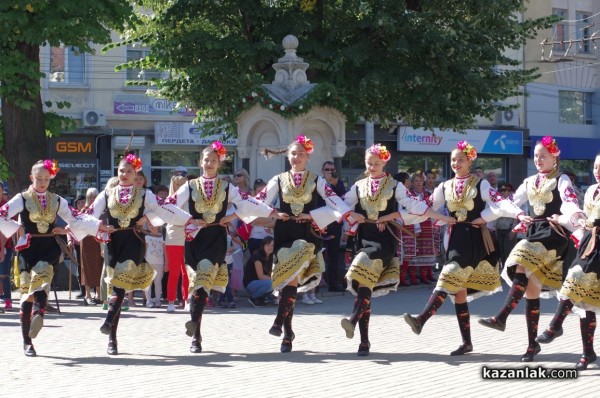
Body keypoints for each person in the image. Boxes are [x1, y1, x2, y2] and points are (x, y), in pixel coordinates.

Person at [404, 141, 524, 356]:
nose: (456, 163)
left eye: (460, 159)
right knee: (458, 292)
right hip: (453, 237)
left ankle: (421, 319)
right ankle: (467, 343)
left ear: (470, 160)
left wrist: (502, 215)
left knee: (449, 275)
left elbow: (499, 202)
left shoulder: (481, 184)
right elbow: (427, 206)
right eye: (453, 160)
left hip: (473, 238)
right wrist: (403, 210)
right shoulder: (444, 186)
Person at [172, 141, 286, 353]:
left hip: (215, 237)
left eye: (213, 160)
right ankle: (196, 330)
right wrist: (189, 219)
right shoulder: (190, 186)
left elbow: (247, 202)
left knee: (204, 276)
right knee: (197, 286)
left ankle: (195, 335)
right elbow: (169, 205)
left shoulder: (226, 187)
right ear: (200, 162)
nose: (209, 163)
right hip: (194, 239)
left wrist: (242, 215)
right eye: (206, 160)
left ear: (219, 164)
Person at [342, 145, 455, 356]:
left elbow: (413, 205)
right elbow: (342, 205)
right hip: (365, 236)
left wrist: (439, 217)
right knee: (365, 286)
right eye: (369, 163)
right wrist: (351, 214)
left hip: (384, 240)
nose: (373, 166)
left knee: (364, 274)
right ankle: (364, 341)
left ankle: (353, 320)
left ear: (384, 163)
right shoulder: (358, 186)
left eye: (377, 163)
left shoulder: (395, 185)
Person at [478, 136, 583, 362]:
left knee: (519, 256)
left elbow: (569, 200)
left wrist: (575, 215)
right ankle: (531, 346)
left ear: (555, 157)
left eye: (543, 155)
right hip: (536, 231)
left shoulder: (561, 179)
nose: (538, 159)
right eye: (536, 155)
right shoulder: (530, 181)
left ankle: (502, 316)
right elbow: (512, 201)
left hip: (553, 232)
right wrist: (514, 214)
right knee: (531, 289)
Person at [0, 160, 111, 356]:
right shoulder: (22, 198)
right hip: (28, 246)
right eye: (38, 178)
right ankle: (28, 342)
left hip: (49, 246)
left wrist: (96, 225)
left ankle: (39, 314)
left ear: (50, 178)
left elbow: (76, 217)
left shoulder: (57, 200)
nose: (42, 182)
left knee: (42, 280)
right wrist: (16, 227)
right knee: (27, 293)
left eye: (46, 179)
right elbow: (1, 214)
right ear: (31, 178)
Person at [90, 153, 192, 355]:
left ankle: (108, 321)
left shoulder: (145, 194)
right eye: (121, 171)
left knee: (120, 283)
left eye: (129, 171)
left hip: (133, 241)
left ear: (136, 173)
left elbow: (163, 209)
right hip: (113, 242)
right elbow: (91, 213)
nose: (125, 174)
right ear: (117, 172)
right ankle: (113, 338)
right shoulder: (107, 193)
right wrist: (99, 226)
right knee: (116, 288)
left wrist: (150, 218)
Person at [260, 135, 351, 353]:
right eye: (293, 153)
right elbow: (258, 202)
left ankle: (278, 323)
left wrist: (314, 216)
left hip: (307, 234)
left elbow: (338, 204)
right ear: (287, 155)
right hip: (284, 232)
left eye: (301, 153)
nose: (297, 157)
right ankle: (288, 333)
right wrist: (274, 213)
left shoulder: (317, 180)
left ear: (307, 157)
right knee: (288, 283)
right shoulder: (279, 180)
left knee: (291, 275)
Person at [535, 153, 600, 370]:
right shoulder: (591, 190)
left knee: (575, 281)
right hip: (590, 244)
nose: (598, 171)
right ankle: (588, 352)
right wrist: (562, 219)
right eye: (596, 167)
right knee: (584, 300)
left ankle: (555, 326)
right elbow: (583, 219)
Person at [319, 161, 347, 292]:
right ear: (322, 170)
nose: (329, 172)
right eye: (327, 169)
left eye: (332, 169)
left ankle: (334, 283)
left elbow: (343, 195)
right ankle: (315, 284)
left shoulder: (339, 183)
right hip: (320, 222)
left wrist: (334, 182)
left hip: (334, 224)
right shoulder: (318, 182)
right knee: (317, 254)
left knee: (333, 255)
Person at [165, 175, 189, 313]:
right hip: (173, 235)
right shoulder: (169, 201)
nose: (179, 186)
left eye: (182, 184)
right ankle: (171, 301)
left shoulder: (191, 200)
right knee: (174, 271)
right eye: (177, 184)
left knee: (187, 271)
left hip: (188, 235)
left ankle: (187, 300)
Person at [79, 188, 103, 306]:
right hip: (87, 240)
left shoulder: (100, 210)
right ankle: (87, 295)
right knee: (87, 266)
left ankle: (98, 294)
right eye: (91, 197)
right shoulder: (84, 210)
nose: (93, 199)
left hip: (98, 240)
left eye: (95, 196)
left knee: (98, 265)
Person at [244, 236, 275, 307]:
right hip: (251, 284)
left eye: (272, 245)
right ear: (263, 245)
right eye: (267, 245)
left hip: (261, 283)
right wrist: (277, 281)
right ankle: (254, 297)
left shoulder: (272, 257)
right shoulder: (257, 255)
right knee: (272, 283)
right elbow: (261, 276)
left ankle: (261, 298)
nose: (270, 247)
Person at [494, 184, 518, 270]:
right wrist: (495, 228)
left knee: (509, 251)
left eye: (506, 190)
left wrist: (513, 230)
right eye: (501, 191)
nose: (503, 192)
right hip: (500, 229)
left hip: (509, 229)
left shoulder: (513, 201)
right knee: (502, 252)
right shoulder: (498, 201)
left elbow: (516, 216)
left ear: (509, 192)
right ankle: (504, 270)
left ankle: (511, 271)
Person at [0, 181, 14, 311]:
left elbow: (9, 228)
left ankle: (8, 300)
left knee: (4, 274)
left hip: (6, 245)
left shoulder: (6, 207)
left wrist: (2, 248)